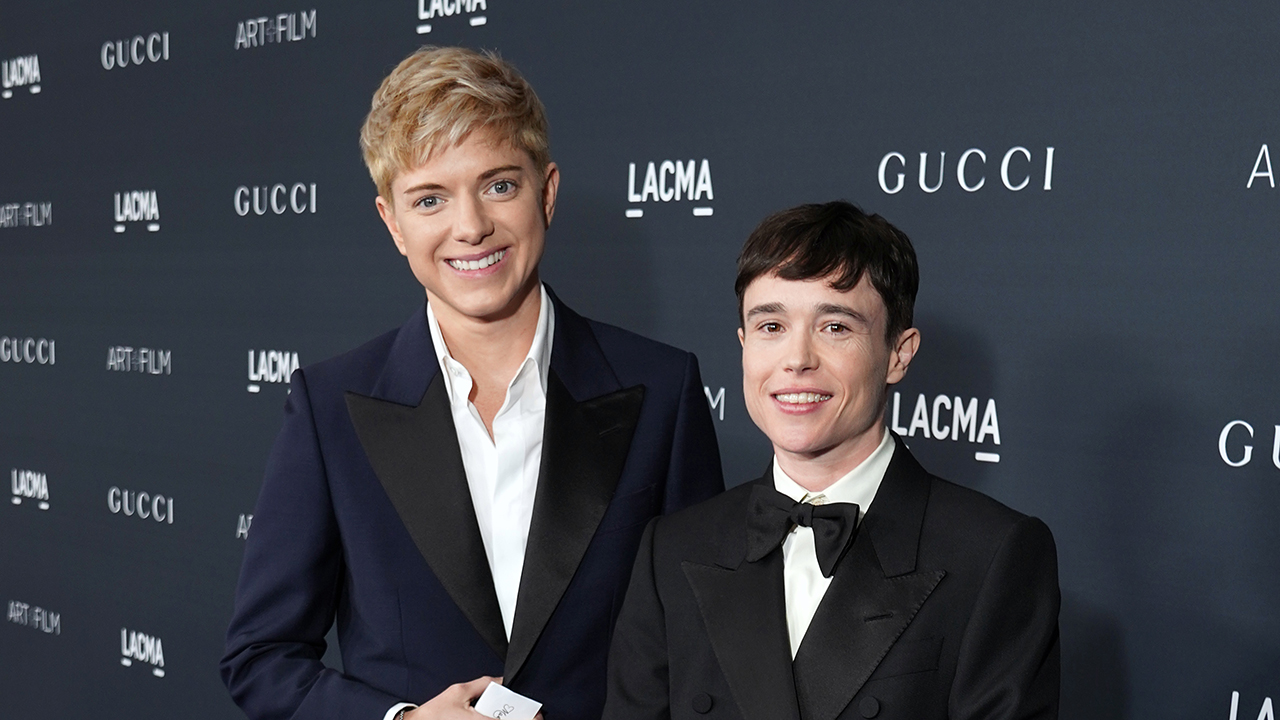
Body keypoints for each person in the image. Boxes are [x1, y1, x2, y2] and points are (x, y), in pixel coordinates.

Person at [221, 46, 724, 720]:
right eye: (430, 199)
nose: (470, 227)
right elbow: (262, 657)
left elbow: (706, 649)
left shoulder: (662, 388)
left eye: (499, 185)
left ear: (545, 192)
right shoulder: (330, 408)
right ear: (393, 224)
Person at [604, 201, 1060, 720]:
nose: (796, 359)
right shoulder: (673, 549)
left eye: (836, 327)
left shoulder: (993, 554)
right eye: (771, 326)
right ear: (743, 345)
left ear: (898, 353)